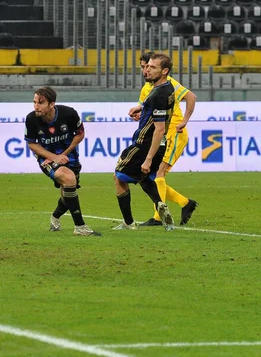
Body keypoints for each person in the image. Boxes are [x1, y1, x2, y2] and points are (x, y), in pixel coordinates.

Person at [128, 52, 198, 226]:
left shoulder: (169, 83)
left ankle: (159, 217)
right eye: (143, 67)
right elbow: (147, 109)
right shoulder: (147, 88)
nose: (145, 70)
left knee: (157, 174)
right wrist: (138, 112)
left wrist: (184, 121)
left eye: (149, 67)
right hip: (158, 135)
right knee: (152, 175)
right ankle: (185, 203)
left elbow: (191, 97)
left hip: (173, 132)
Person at [24, 86, 101, 236]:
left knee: (68, 191)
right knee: (69, 179)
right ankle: (80, 227)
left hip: (69, 156)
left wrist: (64, 154)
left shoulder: (69, 113)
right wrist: (53, 158)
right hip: (46, 159)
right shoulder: (31, 119)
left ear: (52, 104)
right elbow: (32, 144)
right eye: (34, 102)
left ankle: (55, 216)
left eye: (40, 103)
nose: (36, 106)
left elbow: (80, 135)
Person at [114, 53, 177, 231]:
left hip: (145, 144)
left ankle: (128, 223)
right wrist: (142, 108)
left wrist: (148, 158)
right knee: (143, 178)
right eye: (147, 66)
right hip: (160, 146)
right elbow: (159, 110)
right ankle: (160, 204)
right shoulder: (168, 88)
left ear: (164, 71)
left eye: (152, 67)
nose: (147, 70)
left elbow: (159, 129)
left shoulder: (157, 94)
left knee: (118, 177)